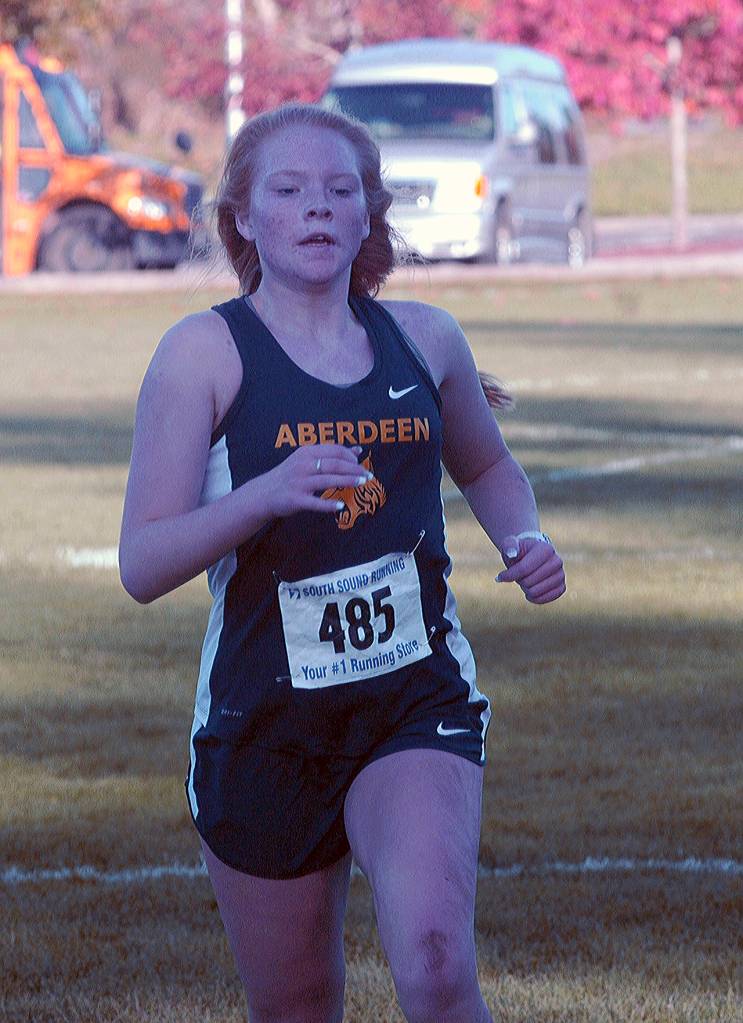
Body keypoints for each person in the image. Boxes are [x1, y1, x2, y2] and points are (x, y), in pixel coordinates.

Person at [119, 102, 565, 1023]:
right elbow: (142, 562)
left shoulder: (426, 338)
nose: (316, 208)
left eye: (339, 190)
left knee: (438, 964)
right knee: (298, 1007)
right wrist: (262, 495)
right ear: (244, 217)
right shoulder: (201, 352)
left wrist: (523, 538)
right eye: (287, 190)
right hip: (263, 721)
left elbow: (485, 464)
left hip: (411, 699)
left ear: (369, 214)